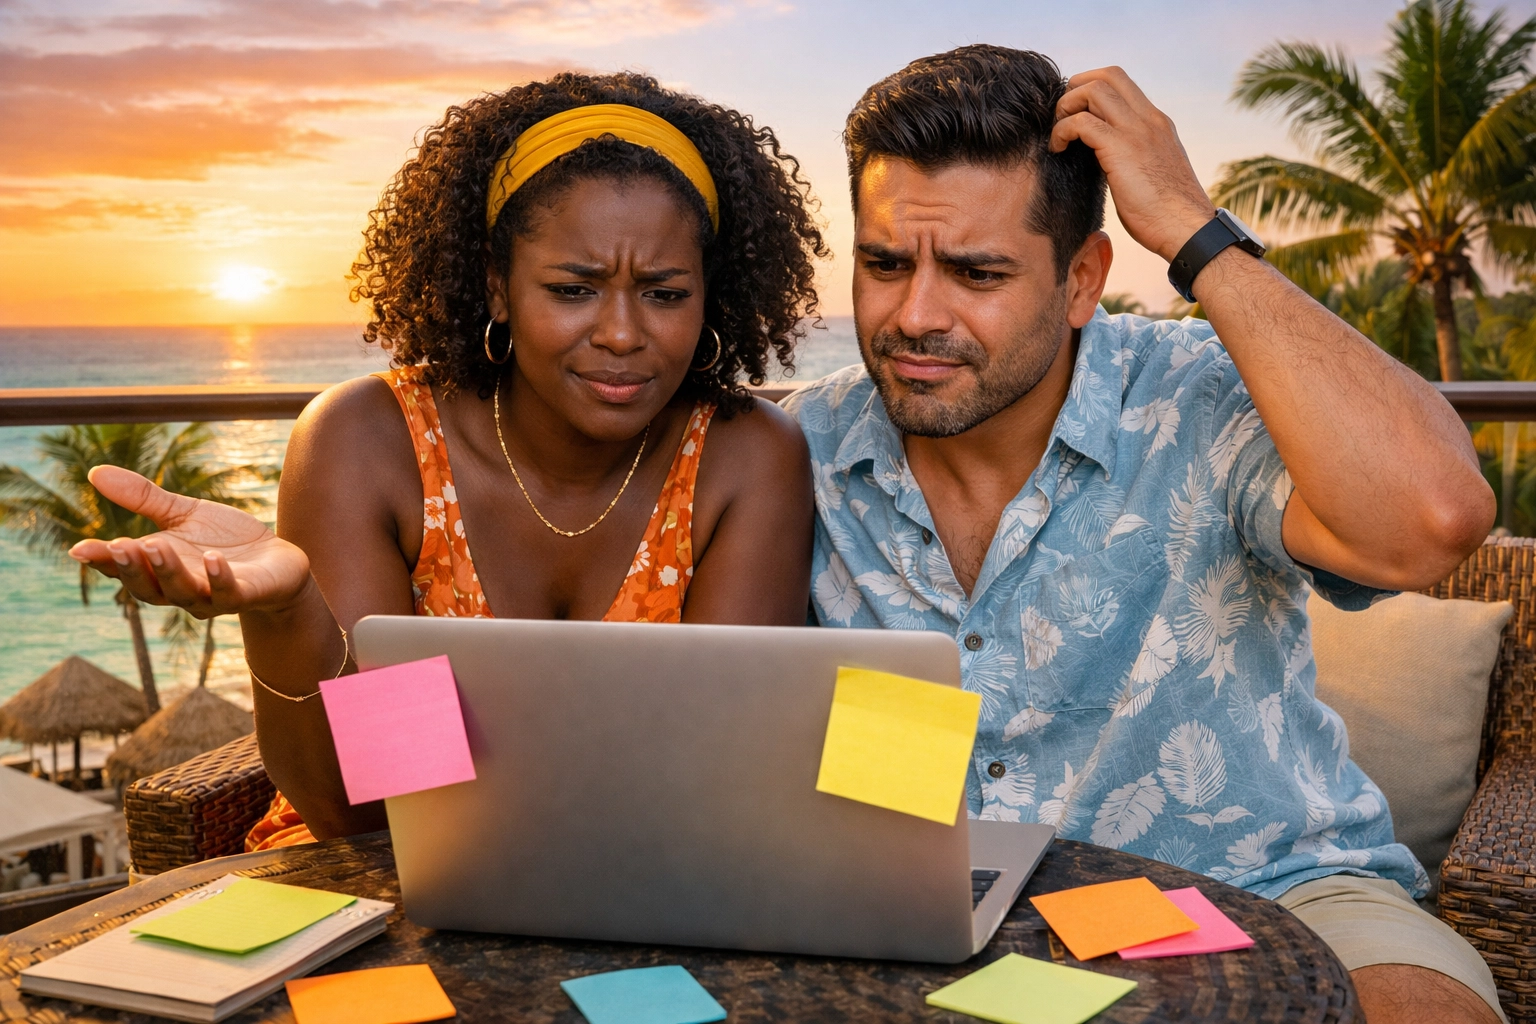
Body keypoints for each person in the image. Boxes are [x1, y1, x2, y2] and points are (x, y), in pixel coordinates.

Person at [785, 46, 1502, 1024]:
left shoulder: (1197, 392)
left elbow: (1431, 520)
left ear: (1083, 280)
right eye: (883, 264)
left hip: (1276, 888)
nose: (915, 316)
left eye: (976, 271)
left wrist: (1194, 233)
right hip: (930, 922)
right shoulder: (801, 446)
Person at [71, 72, 823, 850]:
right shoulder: (369, 442)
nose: (624, 334)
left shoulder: (746, 456)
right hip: (379, 886)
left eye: (665, 294)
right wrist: (286, 611)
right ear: (497, 289)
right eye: (573, 290)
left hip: (648, 877)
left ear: (711, 298)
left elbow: (717, 778)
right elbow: (360, 815)